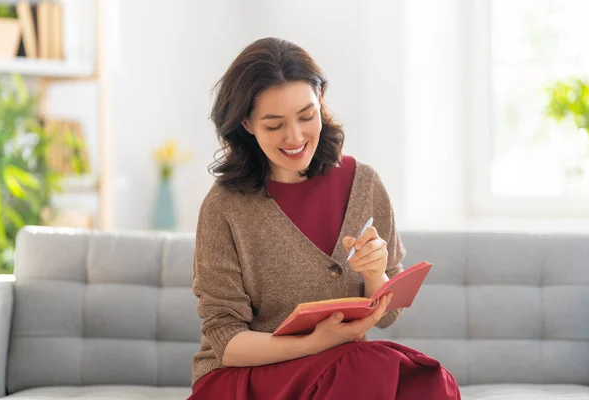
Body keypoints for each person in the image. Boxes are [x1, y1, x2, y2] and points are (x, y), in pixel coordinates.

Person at [188, 37, 460, 400]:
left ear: (321, 103)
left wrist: (374, 273)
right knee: (366, 367)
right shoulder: (224, 206)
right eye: (274, 125)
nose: (295, 136)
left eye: (306, 115)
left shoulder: (364, 184)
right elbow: (226, 341)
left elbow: (389, 314)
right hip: (245, 379)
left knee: (427, 382)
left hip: (341, 374)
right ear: (246, 124)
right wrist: (315, 343)